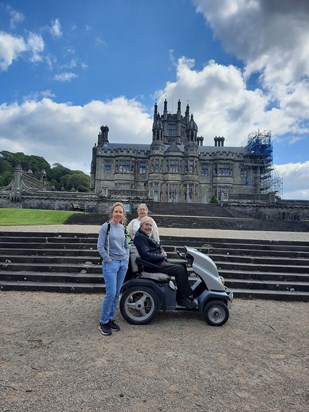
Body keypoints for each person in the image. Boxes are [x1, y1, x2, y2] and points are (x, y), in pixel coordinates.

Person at [133, 216, 197, 309]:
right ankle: (183, 299)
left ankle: (183, 296)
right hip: (152, 265)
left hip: (156, 262)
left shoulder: (144, 235)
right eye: (147, 225)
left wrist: (162, 251)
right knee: (179, 269)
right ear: (141, 225)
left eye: (150, 225)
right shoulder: (140, 237)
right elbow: (146, 255)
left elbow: (157, 246)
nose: (149, 227)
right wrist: (161, 256)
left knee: (182, 266)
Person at [97, 202, 129, 336]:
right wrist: (107, 258)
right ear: (112, 213)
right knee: (110, 293)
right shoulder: (106, 227)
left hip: (122, 263)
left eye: (120, 212)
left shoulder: (123, 228)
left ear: (123, 214)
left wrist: (126, 256)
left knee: (116, 294)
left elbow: (127, 245)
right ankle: (103, 322)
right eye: (116, 211)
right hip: (111, 263)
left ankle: (110, 319)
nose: (118, 214)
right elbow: (100, 246)